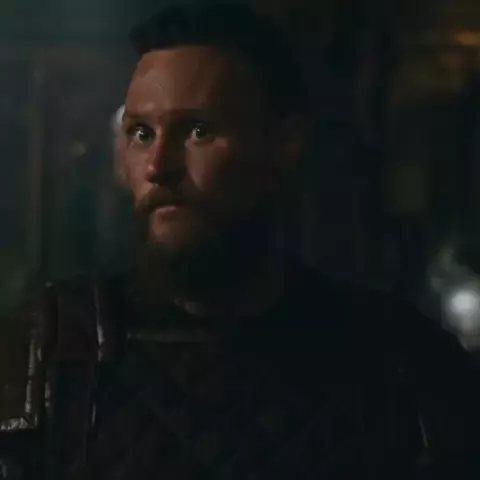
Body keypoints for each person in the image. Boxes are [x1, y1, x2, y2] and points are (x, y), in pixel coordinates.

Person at [1, 3, 480, 479]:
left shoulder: (401, 367)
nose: (158, 166)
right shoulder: (46, 354)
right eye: (142, 133)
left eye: (198, 130)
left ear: (284, 143)